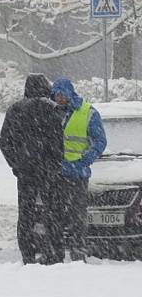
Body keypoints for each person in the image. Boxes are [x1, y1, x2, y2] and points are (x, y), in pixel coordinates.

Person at [0, 74, 64, 264]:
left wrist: (16, 164)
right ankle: (54, 252)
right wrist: (54, 164)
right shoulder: (51, 109)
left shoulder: (15, 110)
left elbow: (5, 141)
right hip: (47, 170)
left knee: (25, 213)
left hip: (25, 171)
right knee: (53, 212)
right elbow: (57, 142)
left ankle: (27, 253)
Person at [50, 78, 106, 261]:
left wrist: (84, 161)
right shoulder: (51, 113)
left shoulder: (88, 113)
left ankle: (78, 254)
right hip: (56, 174)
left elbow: (100, 142)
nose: (58, 98)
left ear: (69, 93)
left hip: (77, 174)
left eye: (61, 94)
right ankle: (57, 254)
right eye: (55, 95)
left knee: (77, 218)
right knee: (56, 216)